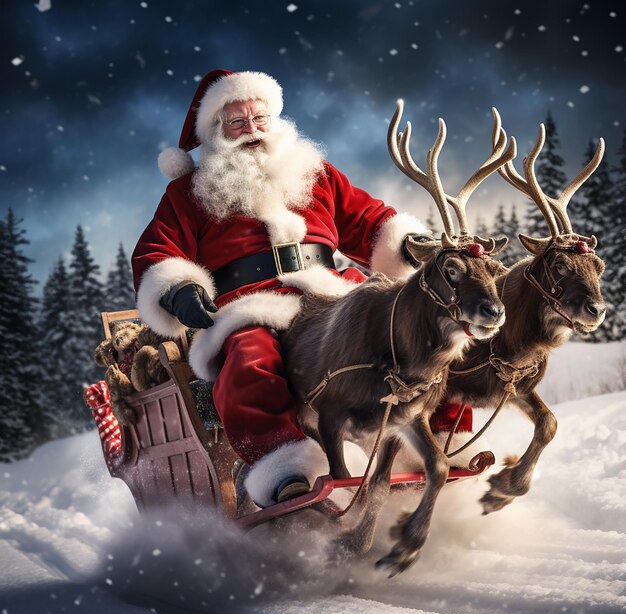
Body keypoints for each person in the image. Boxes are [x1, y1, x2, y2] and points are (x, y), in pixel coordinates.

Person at [132, 69, 479, 508]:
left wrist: (408, 242)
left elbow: (369, 220)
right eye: (238, 124)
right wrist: (178, 288)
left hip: (333, 292)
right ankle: (287, 467)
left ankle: (438, 437)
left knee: (413, 323)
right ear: (217, 132)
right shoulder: (189, 192)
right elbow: (157, 251)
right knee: (248, 358)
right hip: (250, 303)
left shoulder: (316, 173)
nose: (252, 132)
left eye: (259, 119)